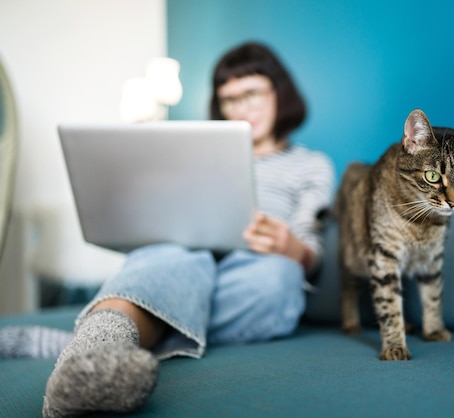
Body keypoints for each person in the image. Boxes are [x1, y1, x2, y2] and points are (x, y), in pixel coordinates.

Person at [1, 42, 335, 417]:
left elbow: (312, 249)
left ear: (279, 91)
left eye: (252, 94)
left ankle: (91, 345)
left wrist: (294, 250)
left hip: (254, 268)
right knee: (174, 255)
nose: (241, 108)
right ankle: (98, 351)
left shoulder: (312, 165)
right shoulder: (198, 153)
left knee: (279, 280)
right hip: (186, 257)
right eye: (229, 100)